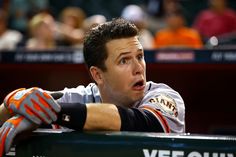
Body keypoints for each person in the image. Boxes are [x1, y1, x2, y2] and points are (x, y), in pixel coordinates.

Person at [0, 18, 185, 156]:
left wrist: (51, 112)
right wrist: (13, 100)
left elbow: (138, 122)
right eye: (124, 60)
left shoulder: (165, 96)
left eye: (140, 56)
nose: (138, 68)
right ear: (97, 75)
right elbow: (17, 108)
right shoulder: (81, 97)